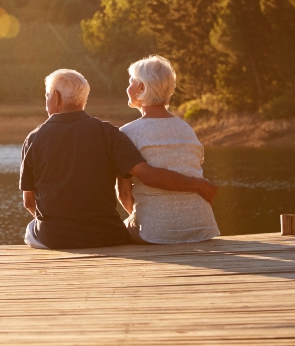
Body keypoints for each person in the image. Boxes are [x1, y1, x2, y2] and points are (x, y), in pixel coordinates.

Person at [21, 69, 217, 250]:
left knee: (31, 229)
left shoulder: (33, 138)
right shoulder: (109, 133)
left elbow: (29, 202)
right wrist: (197, 184)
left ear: (56, 98)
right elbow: (146, 175)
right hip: (106, 236)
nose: (47, 100)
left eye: (47, 96)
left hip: (54, 238)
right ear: (83, 99)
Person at [118, 56, 220, 244]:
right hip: (201, 228)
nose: (128, 88)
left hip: (156, 233)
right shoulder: (186, 128)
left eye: (131, 82)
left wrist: (145, 219)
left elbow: (124, 194)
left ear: (141, 88)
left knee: (118, 230)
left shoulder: (126, 133)